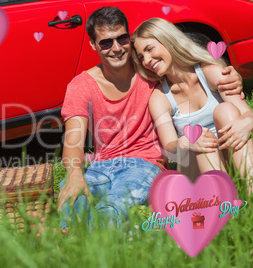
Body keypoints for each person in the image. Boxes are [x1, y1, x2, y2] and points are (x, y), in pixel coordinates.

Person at [57, 7, 244, 230]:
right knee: (71, 191)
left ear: (129, 38)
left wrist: (231, 78)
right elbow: (73, 141)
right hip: (101, 167)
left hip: (144, 164)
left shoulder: (149, 72)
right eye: (106, 42)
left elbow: (184, 68)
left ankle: (92, 243)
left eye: (122, 39)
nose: (116, 49)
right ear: (93, 44)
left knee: (113, 205)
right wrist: (75, 174)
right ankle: (66, 240)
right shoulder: (82, 85)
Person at [132, 18, 252, 193]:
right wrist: (184, 143)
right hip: (197, 168)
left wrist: (245, 125)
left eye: (150, 49)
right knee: (198, 134)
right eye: (141, 57)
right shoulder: (160, 97)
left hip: (231, 155)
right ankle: (221, 202)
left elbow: (247, 114)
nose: (147, 61)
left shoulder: (210, 71)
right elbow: (169, 147)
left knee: (226, 110)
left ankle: (250, 190)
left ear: (168, 41)